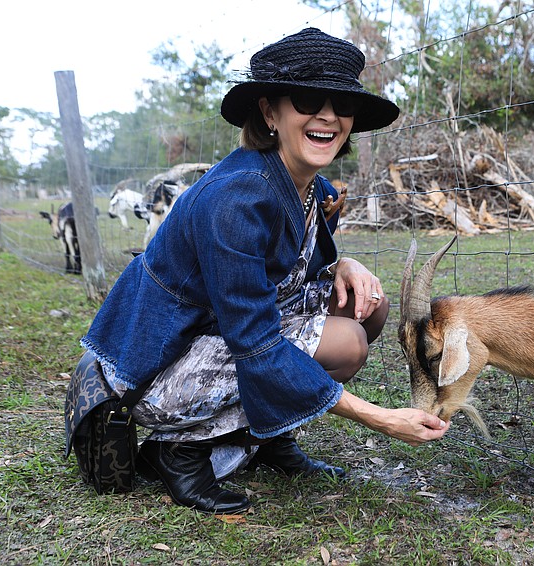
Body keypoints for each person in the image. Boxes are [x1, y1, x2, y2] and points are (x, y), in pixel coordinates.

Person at [72, 28, 449, 514]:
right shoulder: (237, 197)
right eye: (309, 98)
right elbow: (255, 339)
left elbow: (284, 268)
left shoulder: (310, 186)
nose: (329, 115)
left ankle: (270, 437)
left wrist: (341, 264)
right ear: (270, 112)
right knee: (348, 342)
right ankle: (181, 449)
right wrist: (377, 417)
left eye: (343, 104)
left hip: (216, 333)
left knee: (367, 309)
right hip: (157, 368)